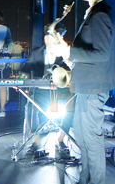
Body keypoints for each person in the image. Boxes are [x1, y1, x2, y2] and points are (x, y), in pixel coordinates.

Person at [51, 0, 115, 184]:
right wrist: (70, 54)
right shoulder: (96, 12)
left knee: (92, 138)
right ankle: (85, 182)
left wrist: (69, 52)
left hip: (93, 86)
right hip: (86, 84)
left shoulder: (100, 14)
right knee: (82, 135)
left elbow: (101, 54)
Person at [19, 20, 74, 155]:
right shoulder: (37, 52)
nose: (57, 39)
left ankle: (60, 140)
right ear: (46, 38)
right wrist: (21, 77)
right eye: (54, 36)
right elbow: (25, 68)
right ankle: (35, 142)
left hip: (60, 92)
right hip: (40, 91)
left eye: (59, 36)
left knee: (69, 109)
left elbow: (72, 70)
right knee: (31, 108)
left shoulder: (64, 53)